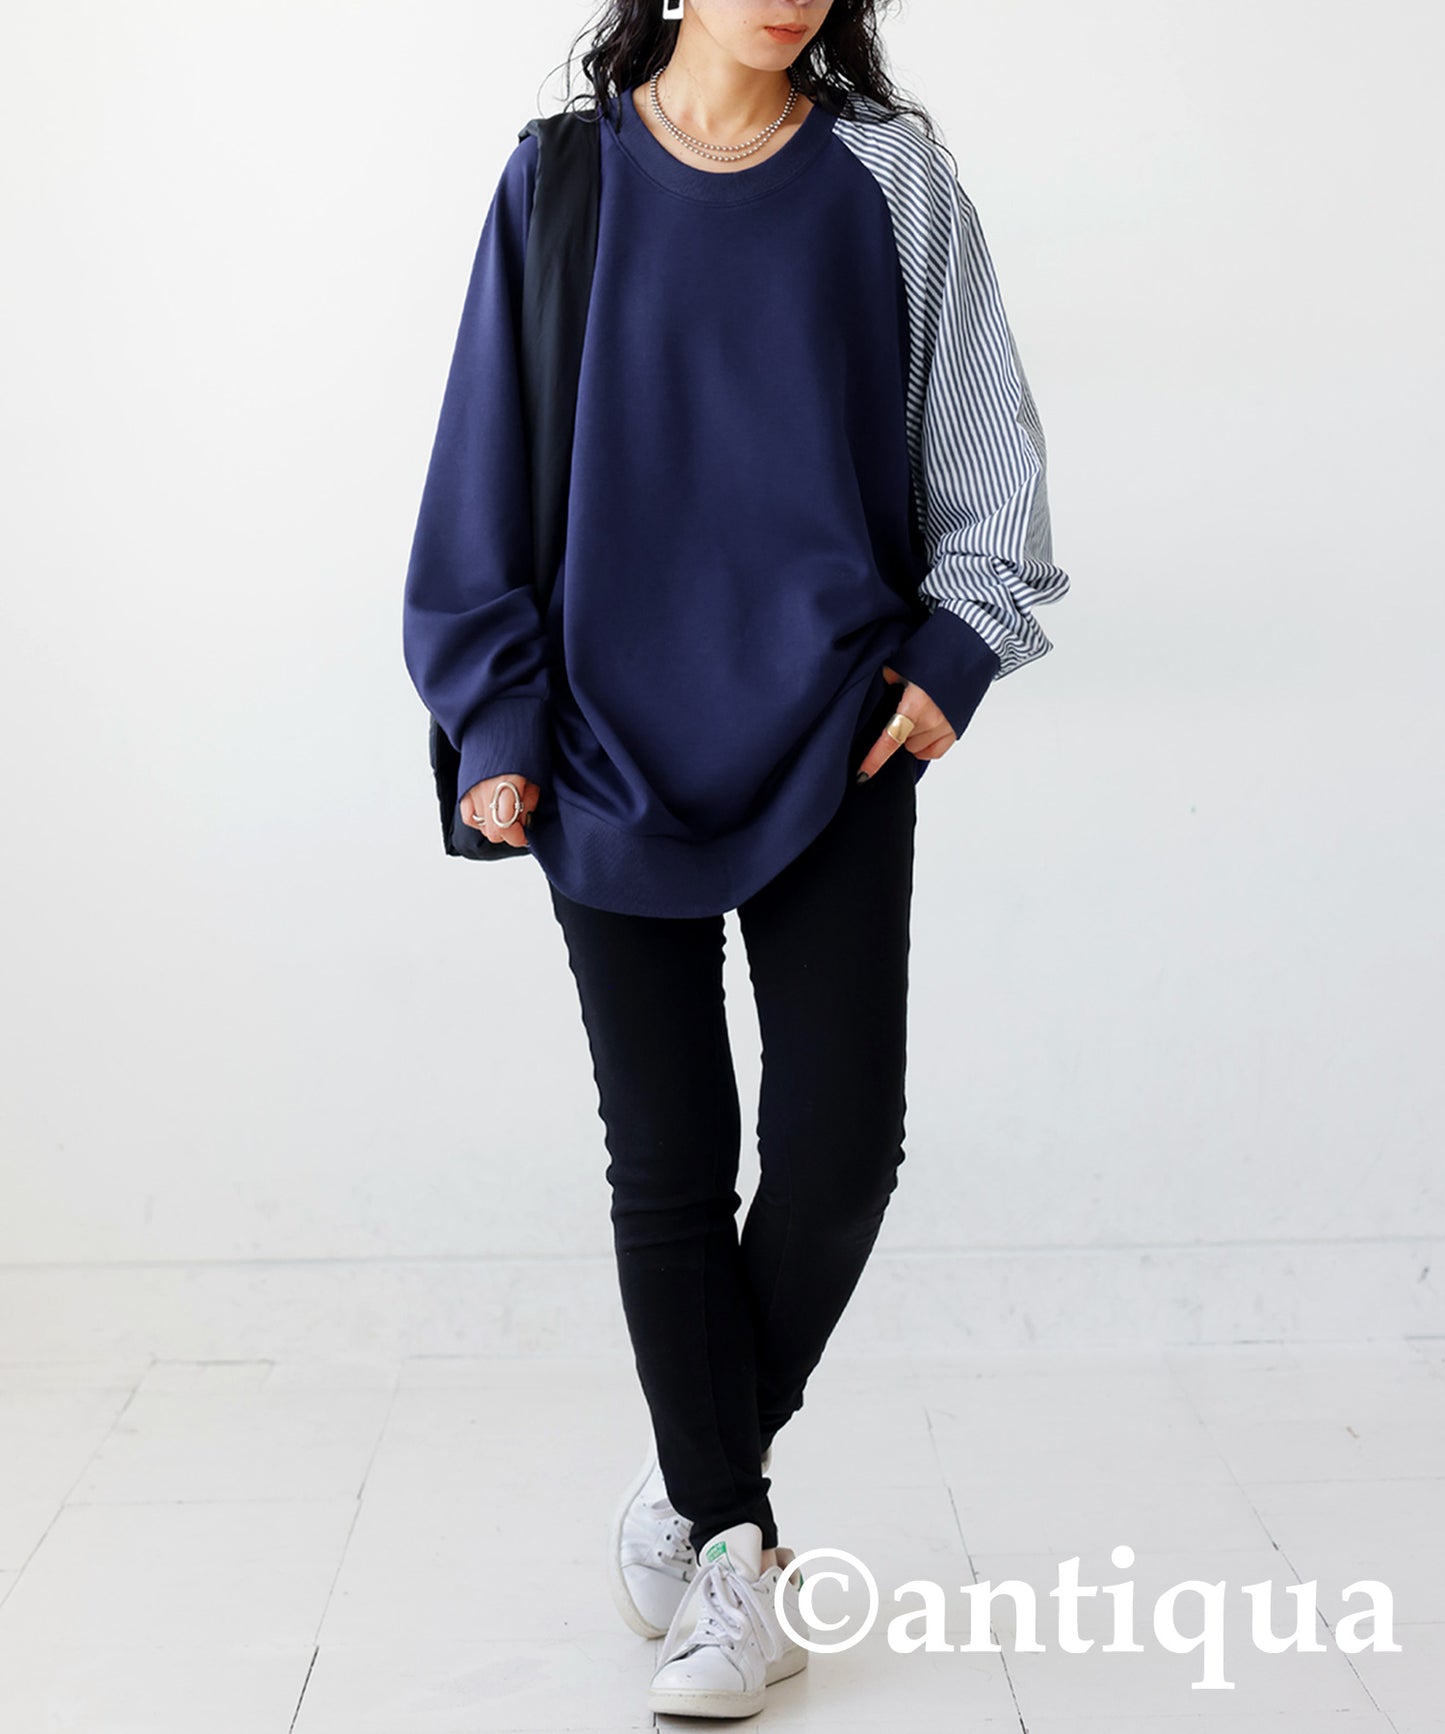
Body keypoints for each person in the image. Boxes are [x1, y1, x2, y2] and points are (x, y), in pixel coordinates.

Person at [402, 0, 1070, 1718]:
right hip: (601, 747)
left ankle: (695, 1475)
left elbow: (983, 443)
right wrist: (494, 718)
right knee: (672, 1160)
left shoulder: (889, 176)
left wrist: (949, 660)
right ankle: (732, 1554)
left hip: (838, 730)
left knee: (840, 1151)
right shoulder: (559, 180)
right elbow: (480, 461)